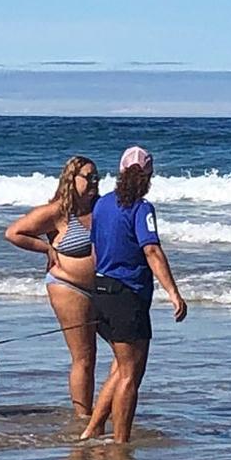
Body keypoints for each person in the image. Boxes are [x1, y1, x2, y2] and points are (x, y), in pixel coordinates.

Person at [80, 146, 186, 444]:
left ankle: (93, 428)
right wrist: (174, 293)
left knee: (120, 366)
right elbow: (151, 250)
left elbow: (95, 248)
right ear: (148, 176)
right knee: (131, 372)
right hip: (128, 295)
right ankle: (120, 442)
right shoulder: (142, 209)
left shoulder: (101, 205)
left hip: (101, 290)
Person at [4, 155, 101, 417]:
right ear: (72, 179)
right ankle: (83, 416)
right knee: (84, 356)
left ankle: (104, 410)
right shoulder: (58, 211)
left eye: (97, 177)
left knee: (124, 351)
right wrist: (46, 247)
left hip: (103, 289)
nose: (94, 182)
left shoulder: (101, 208)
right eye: (88, 177)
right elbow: (14, 233)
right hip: (68, 287)